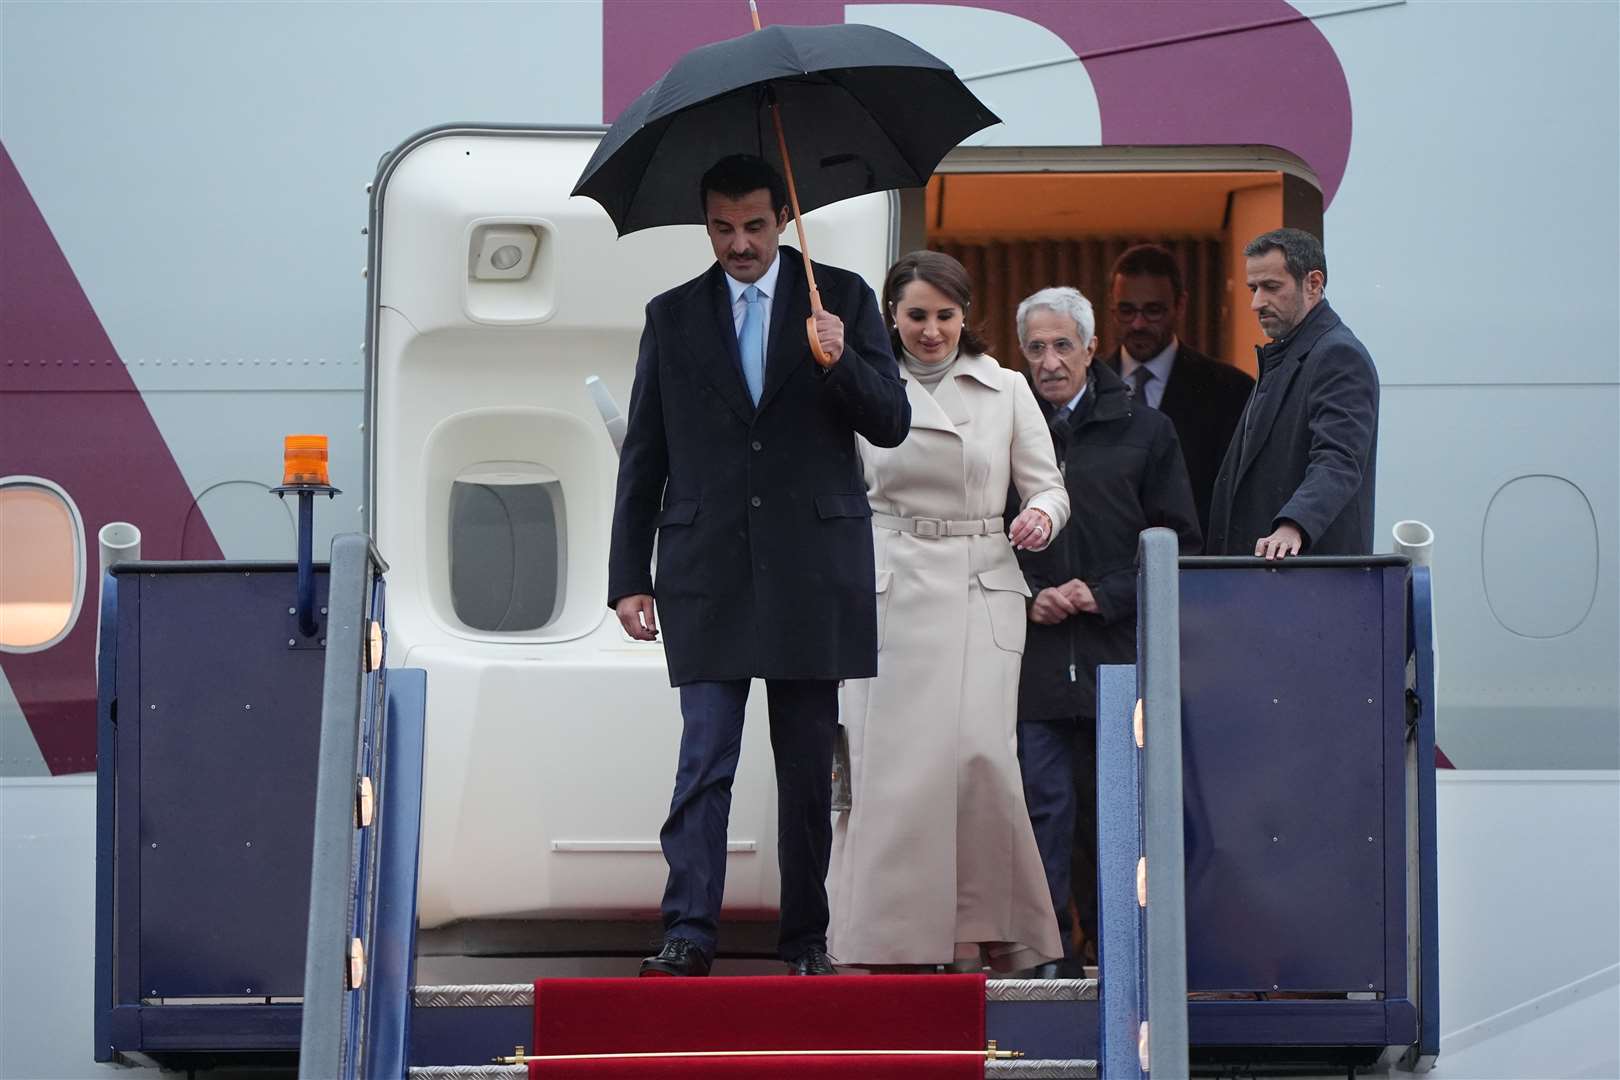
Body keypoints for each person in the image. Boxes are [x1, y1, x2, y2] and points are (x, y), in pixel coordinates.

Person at [607, 154, 911, 977]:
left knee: (807, 765)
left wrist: (839, 360)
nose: (739, 243)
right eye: (722, 228)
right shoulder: (670, 316)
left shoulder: (839, 298)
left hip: (814, 569)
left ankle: (806, 938)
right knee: (705, 755)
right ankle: (689, 933)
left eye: (754, 226)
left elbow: (891, 423)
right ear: (706, 225)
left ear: (783, 218)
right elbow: (646, 451)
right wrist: (628, 573)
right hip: (706, 568)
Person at [827, 250, 1068, 972]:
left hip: (980, 580)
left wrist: (1041, 522)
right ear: (890, 317)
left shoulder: (1007, 388)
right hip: (890, 584)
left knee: (980, 759)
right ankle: (884, 938)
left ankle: (983, 933)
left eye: (945, 316)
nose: (931, 331)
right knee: (891, 768)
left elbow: (1049, 487)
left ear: (968, 317)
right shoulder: (862, 387)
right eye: (916, 316)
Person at [1010, 286, 1201, 972]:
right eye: (1036, 347)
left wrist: (1102, 593)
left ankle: (1115, 953)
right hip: (1031, 662)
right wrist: (1028, 594)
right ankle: (1047, 953)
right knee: (1042, 811)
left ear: (1093, 348)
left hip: (1114, 660)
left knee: (1112, 816)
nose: (1050, 361)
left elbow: (1178, 540)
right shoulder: (1008, 427)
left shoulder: (1147, 430)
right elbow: (982, 539)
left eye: (1063, 345)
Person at [1207, 228, 1378, 559]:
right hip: (1273, 581)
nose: (1257, 303)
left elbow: (1340, 458)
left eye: (1271, 287)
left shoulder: (1338, 355)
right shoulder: (1289, 353)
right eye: (1253, 288)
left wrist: (1293, 525)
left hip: (1307, 585)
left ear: (1313, 284)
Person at [1102, 244, 1253, 539]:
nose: (1138, 324)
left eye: (1153, 311)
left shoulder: (1230, 392)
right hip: (1102, 572)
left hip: (1196, 568)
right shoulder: (1088, 388)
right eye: (1127, 310)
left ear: (1180, 306)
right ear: (1111, 309)